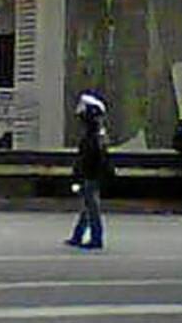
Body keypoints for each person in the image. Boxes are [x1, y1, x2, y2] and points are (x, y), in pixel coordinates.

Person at [65, 92, 109, 250]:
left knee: (91, 206)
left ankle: (96, 238)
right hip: (90, 173)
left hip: (91, 174)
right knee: (88, 205)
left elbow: (91, 156)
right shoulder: (95, 134)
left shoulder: (94, 135)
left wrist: (81, 172)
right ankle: (78, 235)